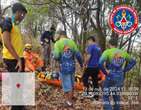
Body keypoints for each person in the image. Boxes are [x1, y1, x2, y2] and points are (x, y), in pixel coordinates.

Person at [0, 3, 27, 110]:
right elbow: (6, 42)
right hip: (13, 60)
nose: (23, 17)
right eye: (22, 15)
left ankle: (21, 107)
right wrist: (18, 59)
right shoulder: (7, 22)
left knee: (19, 86)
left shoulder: (14, 24)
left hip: (18, 58)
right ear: (18, 12)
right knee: (16, 88)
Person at [99, 38, 136, 110]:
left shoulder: (107, 52)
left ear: (109, 44)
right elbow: (133, 62)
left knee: (106, 96)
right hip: (120, 76)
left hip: (111, 76)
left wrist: (105, 72)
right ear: (116, 44)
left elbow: (100, 63)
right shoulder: (123, 53)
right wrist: (124, 70)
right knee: (116, 97)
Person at [53, 31, 83, 107]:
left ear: (60, 35)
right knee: (72, 83)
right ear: (66, 35)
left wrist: (55, 56)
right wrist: (81, 64)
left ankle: (69, 102)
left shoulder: (57, 43)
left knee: (67, 85)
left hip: (63, 67)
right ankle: (71, 98)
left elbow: (56, 56)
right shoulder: (72, 42)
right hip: (72, 66)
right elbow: (78, 55)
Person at [82, 36, 101, 100]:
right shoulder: (98, 48)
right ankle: (96, 96)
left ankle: (87, 93)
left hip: (91, 67)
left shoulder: (91, 46)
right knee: (95, 81)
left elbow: (89, 56)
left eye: (88, 41)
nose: (88, 43)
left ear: (91, 40)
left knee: (84, 78)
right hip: (97, 67)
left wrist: (84, 63)